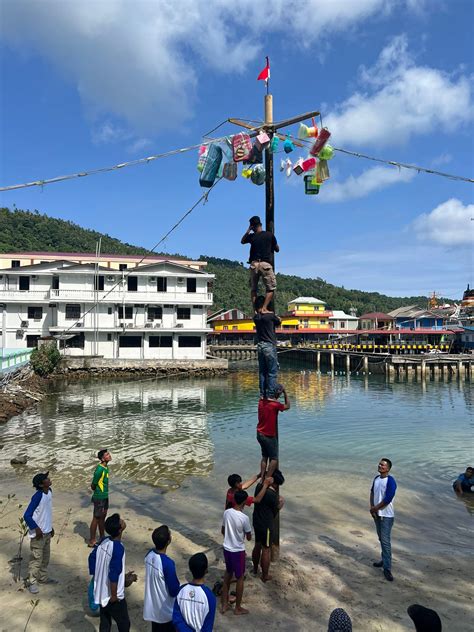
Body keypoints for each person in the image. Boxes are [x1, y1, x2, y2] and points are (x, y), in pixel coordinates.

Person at [88, 513, 137, 632]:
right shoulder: (118, 548)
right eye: (121, 521)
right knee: (124, 623)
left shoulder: (104, 541)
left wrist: (98, 577)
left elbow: (92, 558)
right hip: (113, 596)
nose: (123, 520)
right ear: (120, 529)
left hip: (102, 592)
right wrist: (114, 596)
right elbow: (114, 574)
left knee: (105, 622)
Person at [23, 471, 57, 594]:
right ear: (42, 485)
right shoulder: (37, 496)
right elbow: (27, 515)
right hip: (38, 535)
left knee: (45, 558)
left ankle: (43, 578)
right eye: (46, 478)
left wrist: (50, 527)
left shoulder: (50, 492)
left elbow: (45, 513)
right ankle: (32, 582)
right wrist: (36, 529)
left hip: (47, 532)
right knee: (36, 559)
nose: (49, 479)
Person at [221, 489, 252, 615]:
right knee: (240, 578)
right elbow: (249, 536)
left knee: (228, 575)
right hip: (238, 550)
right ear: (244, 502)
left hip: (226, 548)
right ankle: (238, 608)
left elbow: (223, 530)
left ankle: (224, 605)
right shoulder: (244, 518)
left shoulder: (227, 513)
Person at [144, 525, 180, 631]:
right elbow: (174, 590)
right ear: (169, 541)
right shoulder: (168, 564)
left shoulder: (149, 555)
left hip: (153, 608)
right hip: (165, 611)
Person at [252, 470, 285, 582]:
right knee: (266, 549)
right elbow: (275, 510)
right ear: (274, 483)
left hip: (256, 521)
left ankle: (255, 569)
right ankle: (265, 575)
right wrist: (281, 502)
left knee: (257, 545)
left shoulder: (259, 487)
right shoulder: (272, 495)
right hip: (266, 525)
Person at [241, 215, 279, 312]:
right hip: (265, 264)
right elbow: (277, 249)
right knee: (270, 288)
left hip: (254, 265)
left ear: (252, 227)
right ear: (260, 224)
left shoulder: (252, 236)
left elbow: (242, 241)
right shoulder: (269, 235)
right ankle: (264, 308)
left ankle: (255, 310)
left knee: (254, 289)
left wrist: (248, 230)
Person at [173, 552, 216, 632]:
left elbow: (176, 617)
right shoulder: (209, 596)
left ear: (190, 569)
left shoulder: (180, 591)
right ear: (206, 570)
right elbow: (208, 625)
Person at [370, 458, 397, 582]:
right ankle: (384, 560)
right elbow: (372, 493)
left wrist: (376, 508)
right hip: (376, 514)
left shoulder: (390, 481)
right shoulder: (376, 479)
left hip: (386, 516)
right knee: (381, 538)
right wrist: (372, 508)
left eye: (382, 465)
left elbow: (388, 499)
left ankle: (387, 568)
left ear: (388, 468)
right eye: (379, 464)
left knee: (385, 541)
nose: (380, 466)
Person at [257, 384, 290, 480]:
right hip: (269, 435)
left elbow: (263, 396)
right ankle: (267, 479)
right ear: (278, 393)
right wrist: (285, 393)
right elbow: (288, 406)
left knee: (265, 456)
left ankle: (262, 478)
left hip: (259, 433)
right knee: (274, 458)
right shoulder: (275, 405)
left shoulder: (261, 402)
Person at [254, 294, 281, 399]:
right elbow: (279, 321)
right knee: (272, 372)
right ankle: (270, 395)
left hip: (260, 346)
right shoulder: (270, 316)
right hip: (269, 346)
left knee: (262, 372)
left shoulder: (256, 317)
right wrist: (271, 312)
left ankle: (262, 394)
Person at [89, 448, 112, 547]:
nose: (109, 455)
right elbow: (93, 484)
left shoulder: (106, 467)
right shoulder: (99, 469)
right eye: (107, 454)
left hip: (105, 496)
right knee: (96, 518)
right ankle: (92, 540)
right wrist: (98, 492)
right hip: (99, 497)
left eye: (109, 453)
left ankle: (102, 536)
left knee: (103, 517)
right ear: (102, 459)